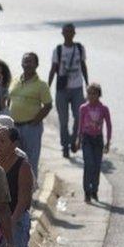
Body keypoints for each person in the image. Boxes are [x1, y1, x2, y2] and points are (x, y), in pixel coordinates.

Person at [7, 53, 53, 179]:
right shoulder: (15, 81)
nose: (27, 64)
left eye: (30, 61)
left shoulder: (41, 85)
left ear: (36, 65)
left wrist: (35, 121)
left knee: (30, 161)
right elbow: (9, 99)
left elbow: (48, 105)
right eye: (25, 61)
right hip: (14, 127)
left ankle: (31, 193)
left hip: (30, 128)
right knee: (15, 159)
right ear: (21, 63)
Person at [48, 23, 89, 157]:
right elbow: (53, 69)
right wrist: (47, 87)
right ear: (62, 33)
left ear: (74, 33)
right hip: (62, 89)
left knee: (79, 116)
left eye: (71, 32)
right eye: (66, 32)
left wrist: (87, 83)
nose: (68, 34)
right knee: (63, 120)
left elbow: (83, 65)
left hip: (77, 87)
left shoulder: (79, 48)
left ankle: (73, 140)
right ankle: (65, 145)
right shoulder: (58, 50)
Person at [74, 83, 112, 203]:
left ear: (99, 95)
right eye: (89, 93)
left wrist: (108, 142)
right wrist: (78, 139)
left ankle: (95, 189)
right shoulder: (83, 108)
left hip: (98, 139)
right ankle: (87, 191)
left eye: (94, 93)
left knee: (96, 166)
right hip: (87, 139)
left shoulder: (104, 109)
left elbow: (109, 125)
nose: (91, 96)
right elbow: (80, 125)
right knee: (88, 164)